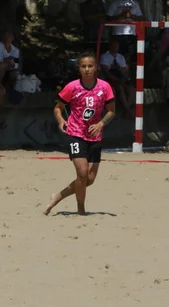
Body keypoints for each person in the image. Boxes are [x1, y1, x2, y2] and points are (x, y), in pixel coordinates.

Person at [44, 52, 116, 216]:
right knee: (82, 174)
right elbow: (57, 108)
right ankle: (81, 210)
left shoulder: (104, 87)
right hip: (75, 133)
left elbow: (111, 111)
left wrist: (101, 123)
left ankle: (58, 196)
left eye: (90, 66)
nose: (87, 69)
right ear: (79, 69)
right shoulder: (72, 87)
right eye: (83, 66)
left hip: (95, 136)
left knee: (89, 180)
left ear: (96, 68)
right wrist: (61, 121)